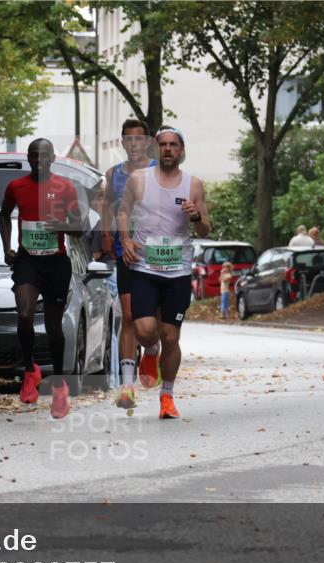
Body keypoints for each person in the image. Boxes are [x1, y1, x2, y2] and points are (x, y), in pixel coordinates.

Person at [116, 126, 210, 419]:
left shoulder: (193, 185)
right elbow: (123, 211)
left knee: (171, 337)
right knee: (144, 331)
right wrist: (125, 239)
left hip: (178, 273)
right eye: (164, 145)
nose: (168, 149)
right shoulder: (138, 180)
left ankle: (167, 396)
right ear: (156, 149)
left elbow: (205, 228)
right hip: (145, 267)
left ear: (181, 151)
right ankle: (151, 351)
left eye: (174, 145)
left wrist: (196, 216)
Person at [0, 138, 84, 419]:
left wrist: (60, 224)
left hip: (56, 262)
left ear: (52, 157)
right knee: (24, 314)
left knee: (53, 327)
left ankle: (59, 385)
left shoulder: (65, 187)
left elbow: (78, 228)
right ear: (28, 158)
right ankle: (30, 370)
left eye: (43, 156)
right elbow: (3, 216)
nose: (37, 161)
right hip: (27, 260)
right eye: (33, 156)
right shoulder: (16, 187)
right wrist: (7, 247)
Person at [99, 119, 159, 408]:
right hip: (127, 253)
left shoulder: (158, 171)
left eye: (139, 139)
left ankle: (152, 350)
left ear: (147, 142)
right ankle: (126, 387)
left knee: (152, 321)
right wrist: (108, 236)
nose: (134, 144)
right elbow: (107, 206)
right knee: (128, 316)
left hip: (157, 255)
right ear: (122, 143)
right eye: (128, 139)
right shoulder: (113, 174)